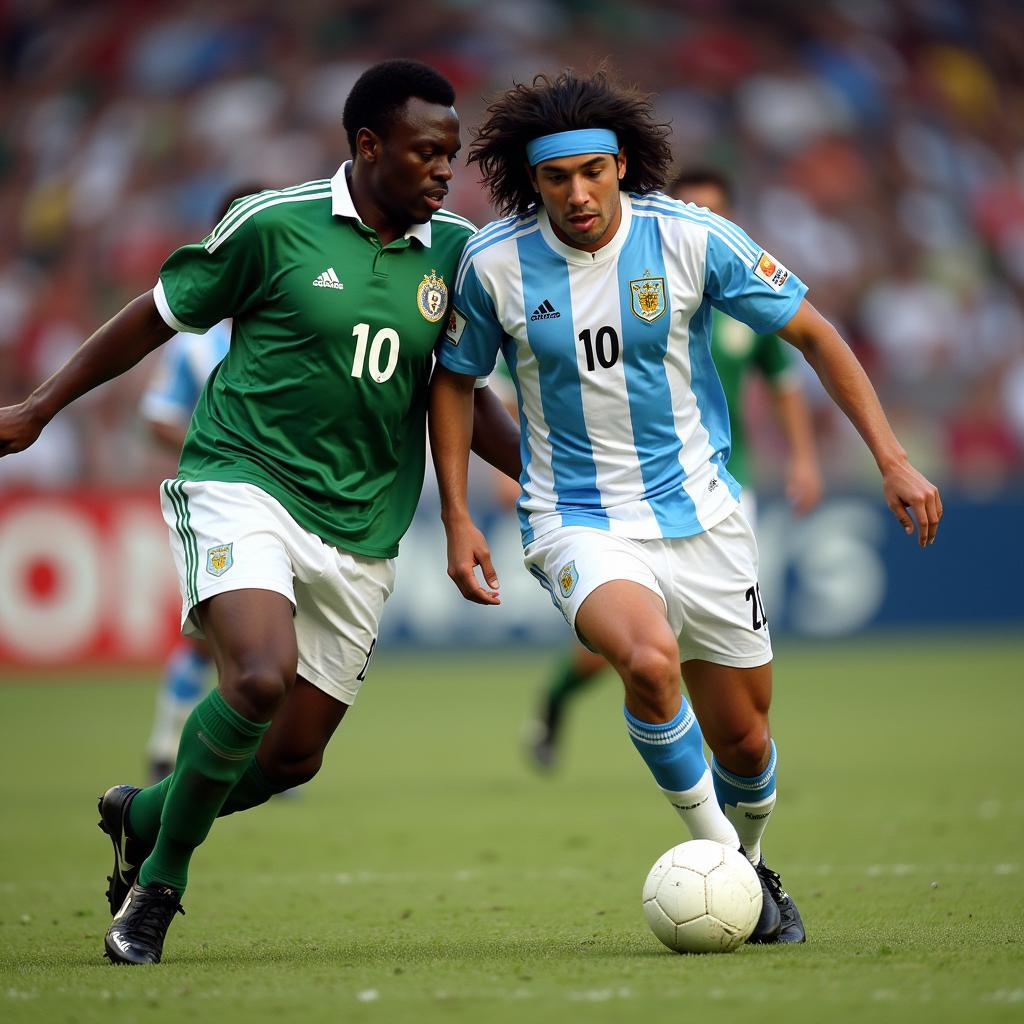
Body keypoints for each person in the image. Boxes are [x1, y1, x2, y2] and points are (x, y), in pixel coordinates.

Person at [0, 59, 520, 966]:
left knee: (289, 760)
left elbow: (460, 389)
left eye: (452, 154)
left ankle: (143, 815)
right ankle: (159, 889)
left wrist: (545, 476)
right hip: (246, 484)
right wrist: (40, 408)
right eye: (427, 153)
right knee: (255, 678)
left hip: (362, 523)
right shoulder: (274, 226)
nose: (446, 170)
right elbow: (155, 315)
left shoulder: (453, 251)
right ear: (367, 146)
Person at [429, 68, 942, 946]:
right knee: (647, 660)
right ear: (533, 180)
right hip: (575, 518)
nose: (577, 193)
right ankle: (736, 873)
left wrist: (891, 458)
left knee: (745, 743)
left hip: (704, 516)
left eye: (592, 170)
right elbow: (454, 380)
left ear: (621, 164)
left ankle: (747, 853)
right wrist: (457, 514)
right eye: (556, 178)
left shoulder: (694, 240)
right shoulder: (494, 262)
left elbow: (815, 334)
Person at [525, 166, 824, 770]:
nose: (703, 220)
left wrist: (804, 459)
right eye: (694, 208)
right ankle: (556, 705)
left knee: (731, 681)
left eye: (715, 210)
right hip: (621, 499)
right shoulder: (634, 289)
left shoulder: (742, 304)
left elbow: (786, 378)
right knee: (632, 652)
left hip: (723, 491)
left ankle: (730, 784)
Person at [138, 186, 262, 784]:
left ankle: (255, 758)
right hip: (219, 497)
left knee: (271, 639)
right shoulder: (195, 337)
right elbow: (158, 414)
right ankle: (166, 746)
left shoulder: (308, 322)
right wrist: (215, 440)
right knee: (211, 633)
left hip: (294, 500)